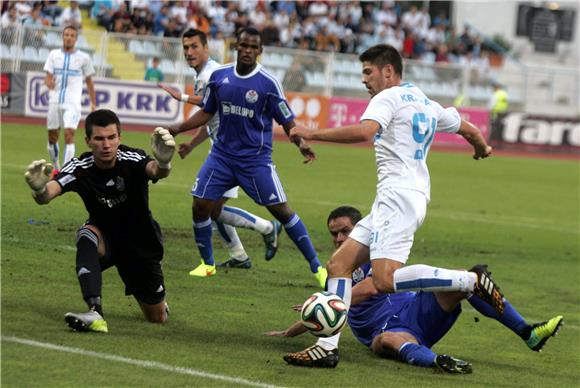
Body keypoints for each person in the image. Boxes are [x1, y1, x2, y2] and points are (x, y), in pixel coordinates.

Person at [284, 43, 503, 366]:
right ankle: (327, 347)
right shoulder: (424, 101)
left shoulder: (388, 97)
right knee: (339, 266)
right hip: (401, 197)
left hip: (398, 197)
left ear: (388, 71)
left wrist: (313, 134)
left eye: (368, 72)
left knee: (386, 280)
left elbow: (365, 131)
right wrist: (482, 148)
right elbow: (468, 128)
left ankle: (468, 281)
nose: (364, 80)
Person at [269, 206, 564, 371]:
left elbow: (369, 290)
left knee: (468, 282)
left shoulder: (377, 254)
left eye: (345, 231)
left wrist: (323, 306)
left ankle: (528, 333)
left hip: (415, 309)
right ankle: (439, 362)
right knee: (386, 340)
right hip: (386, 330)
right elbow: (331, 312)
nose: (338, 238)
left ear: (360, 230)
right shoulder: (340, 266)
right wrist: (292, 330)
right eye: (334, 233)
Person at [168, 27, 327, 287]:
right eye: (243, 46)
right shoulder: (219, 77)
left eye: (253, 47)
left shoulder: (268, 83)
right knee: (200, 205)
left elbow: (287, 121)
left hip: (255, 161)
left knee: (283, 212)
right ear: (236, 47)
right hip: (221, 156)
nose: (247, 51)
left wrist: (300, 143)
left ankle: (317, 267)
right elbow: (207, 112)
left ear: (259, 51)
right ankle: (207, 264)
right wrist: (177, 128)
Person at [24, 109, 176, 333]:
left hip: (140, 243)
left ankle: (159, 303)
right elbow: (47, 195)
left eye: (111, 137)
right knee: (86, 234)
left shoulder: (131, 159)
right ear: (88, 141)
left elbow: (154, 170)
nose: (106, 144)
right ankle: (95, 312)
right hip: (104, 238)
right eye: (99, 138)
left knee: (157, 317)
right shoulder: (79, 167)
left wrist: (164, 164)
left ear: (119, 138)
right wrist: (38, 189)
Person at [159, 28, 283, 273]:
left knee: (210, 209)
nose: (189, 52)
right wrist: (192, 145)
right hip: (222, 149)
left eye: (194, 46)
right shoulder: (207, 74)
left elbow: (206, 107)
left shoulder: (212, 74)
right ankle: (240, 254)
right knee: (212, 209)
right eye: (185, 47)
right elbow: (214, 119)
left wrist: (182, 97)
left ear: (207, 48)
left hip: (233, 153)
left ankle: (267, 228)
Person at [44, 25, 96, 172]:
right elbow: (47, 78)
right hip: (54, 101)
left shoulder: (84, 58)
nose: (69, 37)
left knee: (69, 134)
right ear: (62, 36)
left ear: (76, 39)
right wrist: (48, 83)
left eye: (72, 35)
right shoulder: (53, 55)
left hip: (72, 103)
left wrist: (93, 103)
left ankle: (65, 171)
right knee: (52, 137)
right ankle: (56, 167)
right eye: (66, 34)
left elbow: (89, 82)